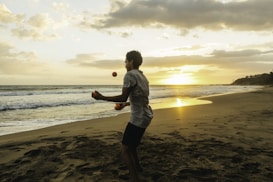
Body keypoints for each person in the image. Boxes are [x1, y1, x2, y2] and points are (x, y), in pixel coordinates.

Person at [92, 50, 153, 181]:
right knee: (132, 145)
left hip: (138, 118)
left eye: (126, 61)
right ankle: (138, 167)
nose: (125, 64)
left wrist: (101, 97)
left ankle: (134, 178)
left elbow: (123, 96)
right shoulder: (143, 76)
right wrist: (126, 105)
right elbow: (140, 98)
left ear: (131, 61)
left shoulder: (130, 75)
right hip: (146, 115)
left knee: (124, 150)